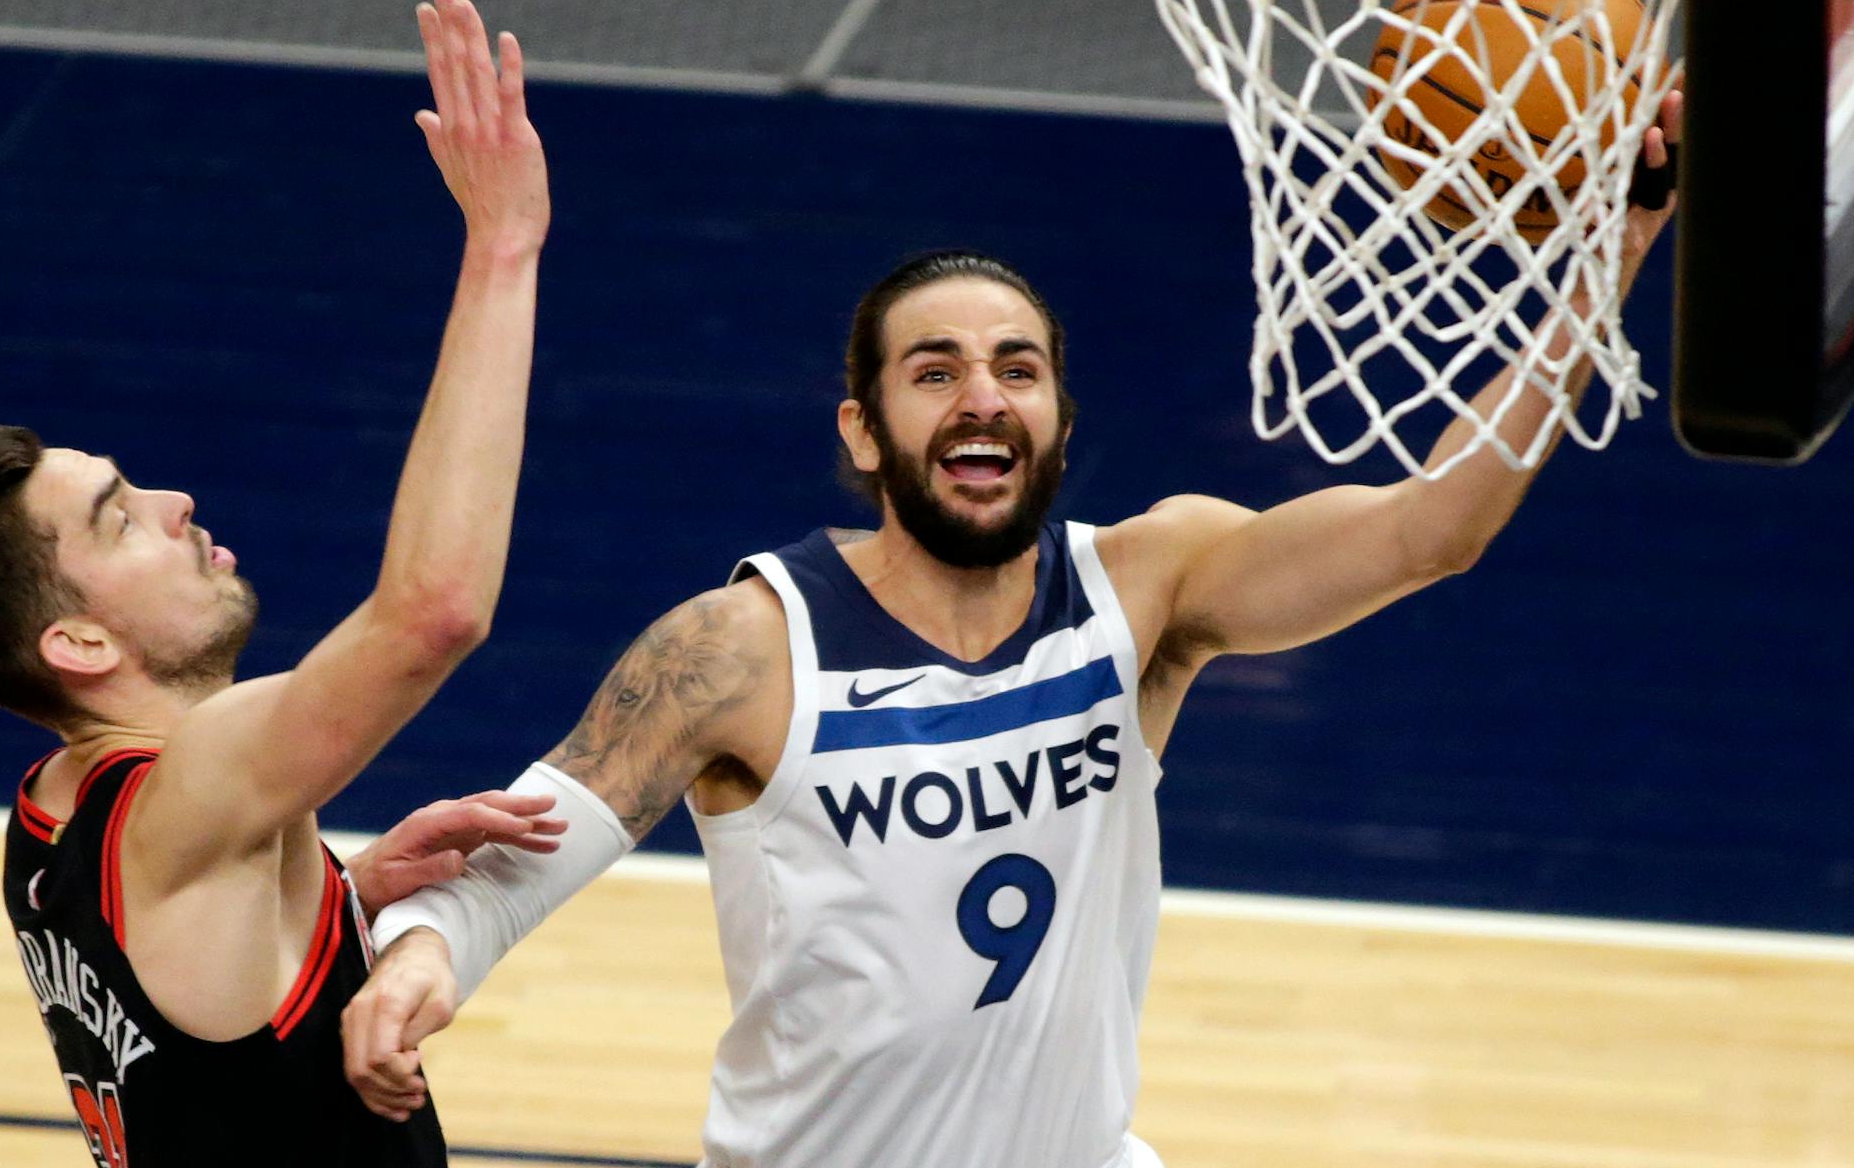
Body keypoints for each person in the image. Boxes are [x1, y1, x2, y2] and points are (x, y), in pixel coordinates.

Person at [344, 104, 1683, 1168]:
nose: (982, 398)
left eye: (1018, 369)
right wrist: (425, 956)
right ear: (863, 432)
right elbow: (532, 836)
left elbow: (1428, 530)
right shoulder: (745, 645)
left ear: (1057, 417)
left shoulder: (1148, 589)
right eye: (935, 372)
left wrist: (1600, 262)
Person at [0, 0, 558, 1168]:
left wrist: (338, 895)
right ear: (79, 644)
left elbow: (208, 1028)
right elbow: (433, 611)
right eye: (121, 520)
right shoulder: (186, 792)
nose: (177, 505)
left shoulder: (56, 809)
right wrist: (502, 250)